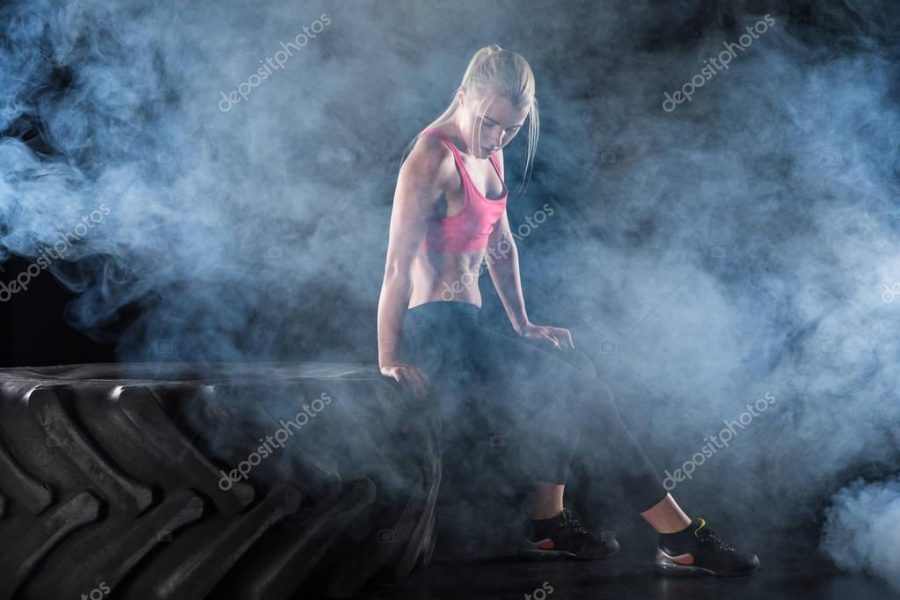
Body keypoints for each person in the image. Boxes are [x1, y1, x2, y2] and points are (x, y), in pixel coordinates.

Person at [377, 44, 758, 576]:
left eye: (510, 129)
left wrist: (523, 324)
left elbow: (502, 247)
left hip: (473, 328)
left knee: (578, 370)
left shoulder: (495, 150)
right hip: (435, 335)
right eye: (489, 124)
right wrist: (389, 358)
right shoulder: (431, 157)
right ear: (463, 96)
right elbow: (396, 267)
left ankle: (549, 525)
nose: (496, 138)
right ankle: (678, 536)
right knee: (575, 388)